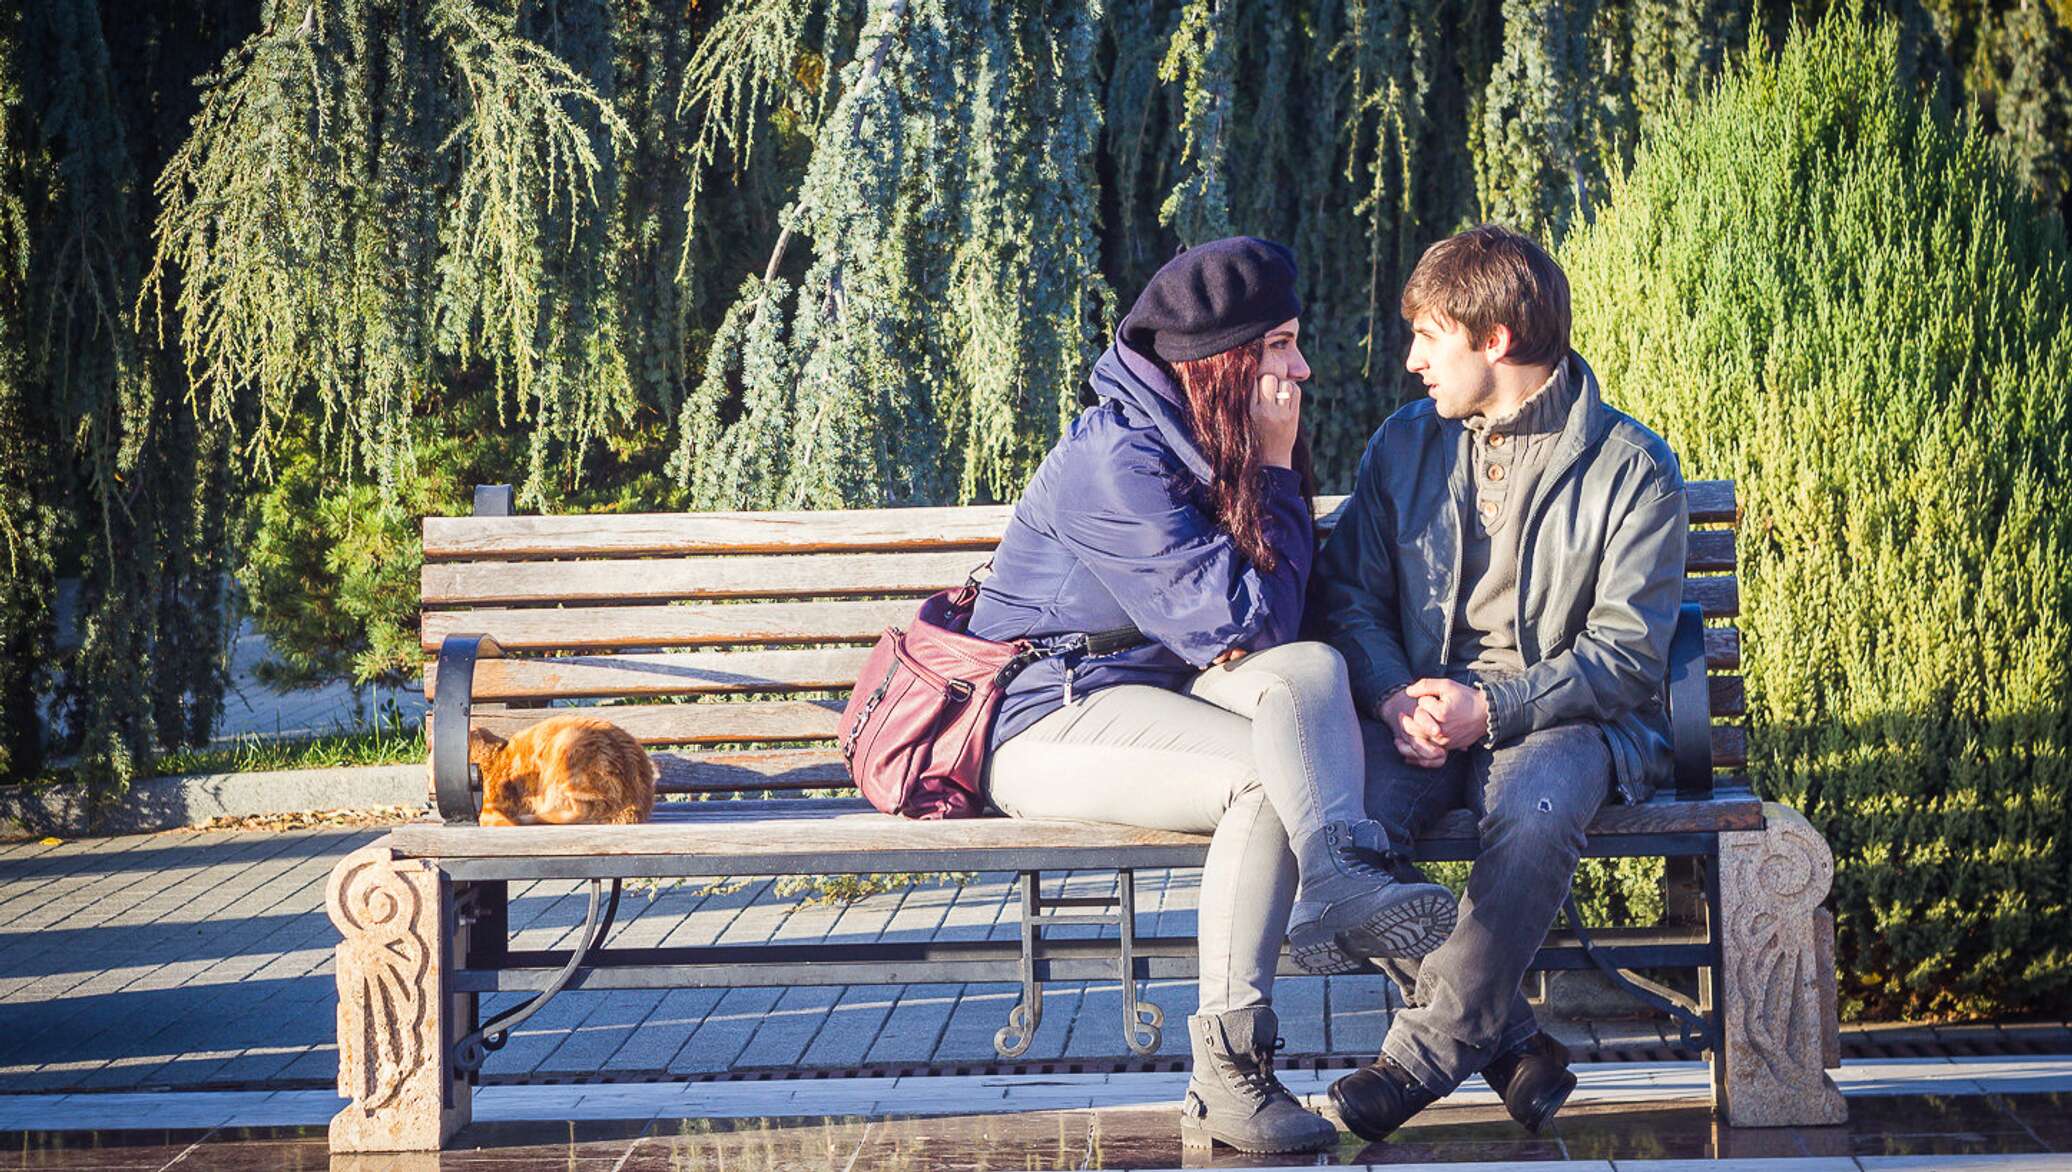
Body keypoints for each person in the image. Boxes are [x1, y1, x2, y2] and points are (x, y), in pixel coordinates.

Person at [969, 237, 1458, 1155]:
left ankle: (1349, 887)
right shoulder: (1116, 460)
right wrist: (1276, 468)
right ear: (1223, 361)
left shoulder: (1204, 435)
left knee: (1308, 701)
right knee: (1269, 779)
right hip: (1049, 716)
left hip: (1152, 693)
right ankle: (1233, 1074)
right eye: (1280, 345)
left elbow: (1300, 631)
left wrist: (1392, 698)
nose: (1302, 367)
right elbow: (1250, 624)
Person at [1306, 224, 1689, 1141]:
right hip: (1424, 712)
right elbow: (1349, 595)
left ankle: (1418, 1061)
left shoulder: (1634, 471)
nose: (1411, 363)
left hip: (1568, 717)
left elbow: (1627, 654)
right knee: (1330, 829)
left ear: (1496, 341)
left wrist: (1500, 707)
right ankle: (1511, 1043)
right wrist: (1396, 693)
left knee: (1538, 815)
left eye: (1428, 337)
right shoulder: (1404, 447)